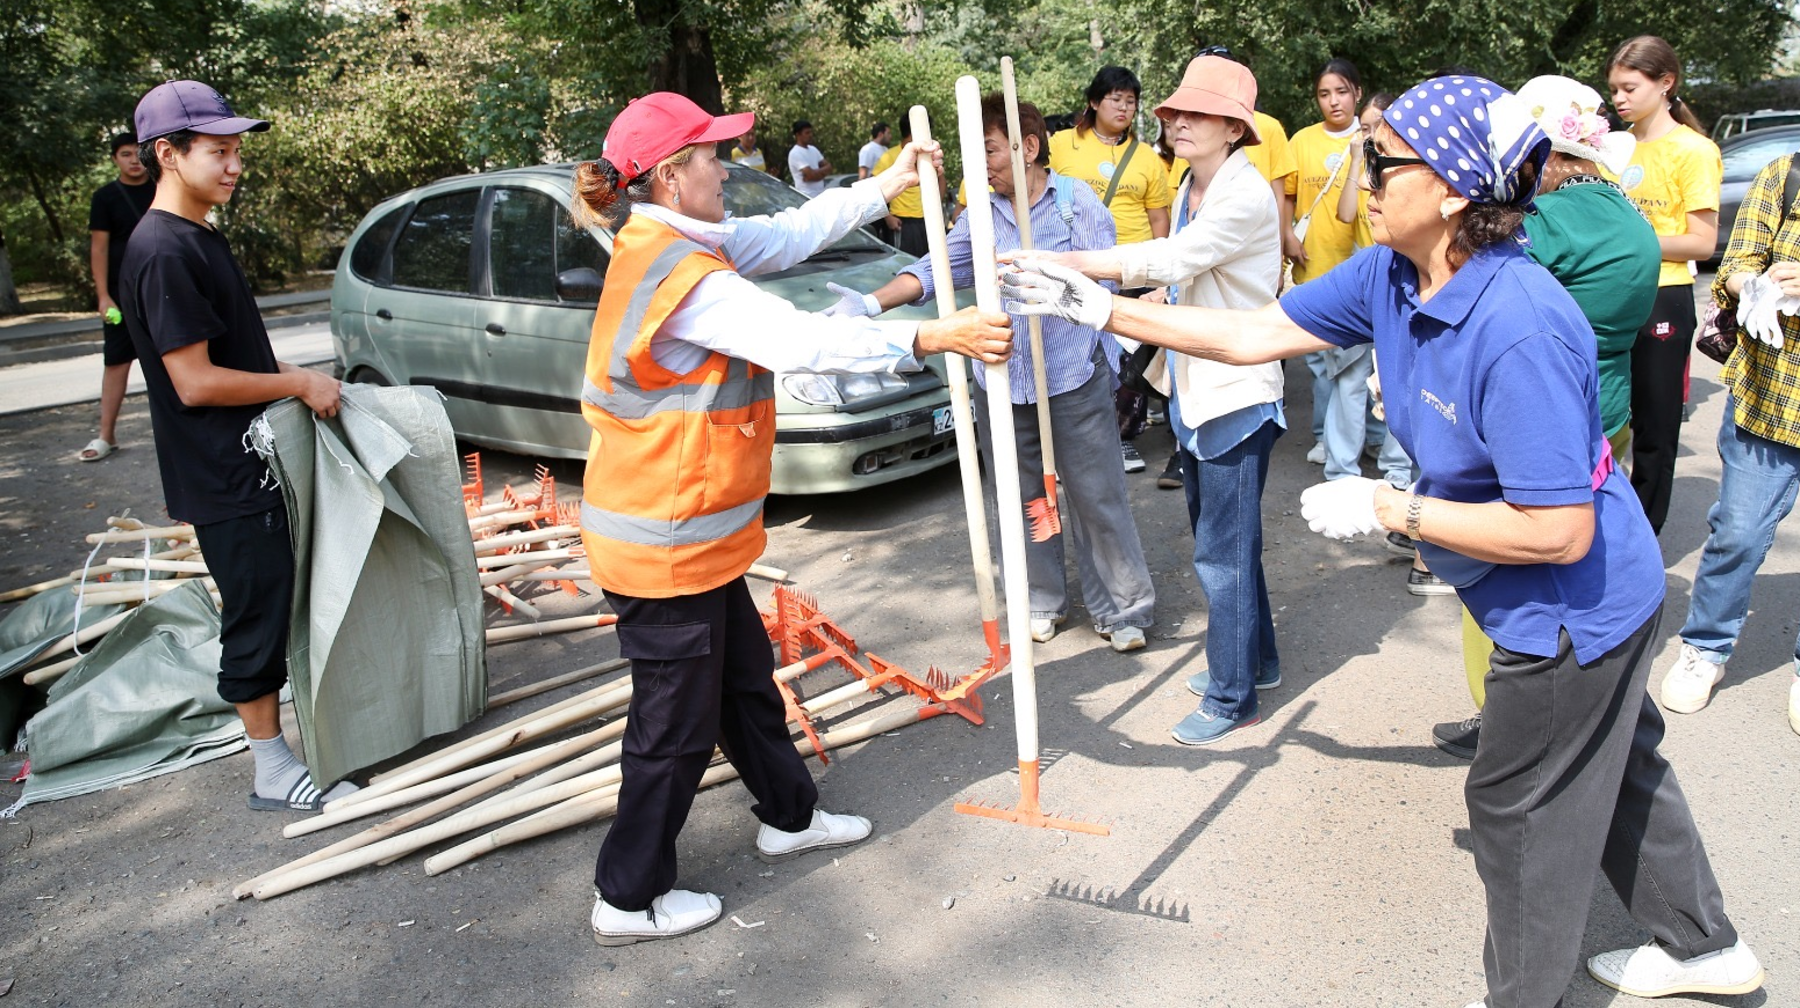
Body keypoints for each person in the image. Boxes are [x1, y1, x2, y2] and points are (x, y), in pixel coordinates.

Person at [1003, 74, 1763, 1008]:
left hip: (1572, 614)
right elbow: (1252, 334)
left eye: (1382, 160)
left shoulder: (1518, 323)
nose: (1360, 176)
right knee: (1621, 769)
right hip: (1547, 592)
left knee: (1517, 810)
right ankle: (1705, 948)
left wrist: (1390, 509)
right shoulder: (1393, 272)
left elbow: (1559, 532)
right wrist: (1099, 307)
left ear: (1451, 189)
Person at [569, 92, 1011, 946]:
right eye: (712, 157)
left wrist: (887, 183)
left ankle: (789, 817)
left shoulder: (680, 241)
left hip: (694, 535)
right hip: (662, 546)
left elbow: (791, 233)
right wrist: (931, 337)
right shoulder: (685, 277)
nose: (725, 170)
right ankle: (627, 897)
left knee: (743, 685)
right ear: (671, 176)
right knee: (672, 729)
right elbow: (802, 341)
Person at [1013, 55, 1282, 742]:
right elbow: (1186, 274)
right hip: (1194, 384)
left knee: (1221, 556)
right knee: (1229, 545)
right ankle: (1256, 663)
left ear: (1235, 128)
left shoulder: (1244, 192)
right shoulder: (1196, 180)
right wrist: (1158, 296)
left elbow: (1173, 257)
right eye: (1176, 110)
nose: (1178, 120)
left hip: (1235, 392)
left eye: (1199, 113)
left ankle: (1232, 698)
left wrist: (1068, 263)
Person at [826, 93, 1155, 653]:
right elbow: (935, 270)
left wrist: (1064, 298)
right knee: (1023, 499)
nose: (981, 167)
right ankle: (1040, 600)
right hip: (1003, 383)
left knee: (1097, 497)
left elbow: (1107, 289)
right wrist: (870, 303)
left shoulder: (1076, 205)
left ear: (1027, 148)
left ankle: (1123, 608)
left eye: (990, 151)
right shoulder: (981, 213)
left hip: (1074, 378)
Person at [116, 80, 357, 814]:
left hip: (252, 460)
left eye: (237, 152)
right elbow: (193, 382)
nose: (234, 166)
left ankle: (301, 746)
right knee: (255, 612)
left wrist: (296, 379)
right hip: (225, 472)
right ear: (168, 153)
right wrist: (297, 384)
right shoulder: (163, 250)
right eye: (218, 152)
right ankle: (271, 770)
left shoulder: (198, 235)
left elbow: (232, 352)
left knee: (274, 597)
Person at [1429, 74, 1661, 758]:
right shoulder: (1628, 212)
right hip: (1609, 404)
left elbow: (1472, 276)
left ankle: (1504, 719)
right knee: (1583, 564)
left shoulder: (1554, 219)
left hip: (1539, 412)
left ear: (1552, 160)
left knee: (1499, 570)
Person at [1659, 147, 1800, 729]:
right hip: (1770, 395)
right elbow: (1735, 264)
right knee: (1738, 534)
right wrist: (1758, 285)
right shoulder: (1785, 175)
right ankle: (1706, 647)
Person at [1607, 35, 1723, 534]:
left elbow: (1702, 242)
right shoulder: (1612, 148)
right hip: (1610, 293)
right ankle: (1597, 523)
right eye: (1614, 89)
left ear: (1665, 83)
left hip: (1663, 296)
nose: (1619, 99)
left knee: (1654, 428)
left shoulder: (1694, 150)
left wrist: (1634, 241)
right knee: (1603, 416)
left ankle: (1641, 536)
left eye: (1629, 88)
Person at [1049, 65, 1172, 475]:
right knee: (1073, 353)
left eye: (1130, 101)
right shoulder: (1061, 145)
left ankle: (1123, 437)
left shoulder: (1146, 158)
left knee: (1127, 358)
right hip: (1075, 266)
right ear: (1093, 102)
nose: (1123, 107)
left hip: (1132, 271)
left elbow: (1158, 218)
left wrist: (1160, 273)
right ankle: (1069, 442)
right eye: (1115, 99)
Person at [1290, 59, 1375, 481]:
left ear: (1357, 92)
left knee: (1362, 366)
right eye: (1324, 94)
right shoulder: (1302, 140)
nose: (1333, 101)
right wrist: (1286, 237)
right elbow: (1286, 195)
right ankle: (1327, 435)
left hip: (1360, 267)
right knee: (1322, 365)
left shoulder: (1373, 137)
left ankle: (1369, 438)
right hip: (1314, 263)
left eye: (1341, 92)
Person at [78, 132, 155, 463]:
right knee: (116, 362)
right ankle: (106, 435)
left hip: (160, 288)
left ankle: (187, 432)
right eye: (125, 154)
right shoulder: (105, 197)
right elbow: (99, 249)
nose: (134, 160)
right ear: (115, 159)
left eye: (138, 153)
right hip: (120, 295)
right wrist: (103, 296)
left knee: (174, 360)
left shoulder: (162, 187)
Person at [869, 117, 932, 256]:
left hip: (925, 220)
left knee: (927, 263)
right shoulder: (889, 156)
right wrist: (887, 217)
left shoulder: (926, 156)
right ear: (914, 134)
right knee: (905, 263)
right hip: (901, 222)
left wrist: (935, 207)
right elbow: (873, 190)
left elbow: (941, 180)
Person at [786, 119, 832, 197]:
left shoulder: (813, 149)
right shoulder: (795, 153)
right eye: (807, 133)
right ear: (798, 135)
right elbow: (810, 174)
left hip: (820, 195)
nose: (810, 135)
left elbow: (829, 167)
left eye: (811, 132)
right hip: (806, 196)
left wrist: (814, 175)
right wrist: (819, 174)